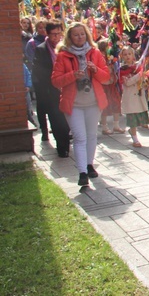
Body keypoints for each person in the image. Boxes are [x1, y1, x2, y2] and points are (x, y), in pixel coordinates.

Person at [51, 22, 110, 186]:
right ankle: (82, 172)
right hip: (74, 104)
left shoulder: (95, 52)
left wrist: (96, 70)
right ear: (70, 37)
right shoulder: (63, 55)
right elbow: (55, 81)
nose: (79, 37)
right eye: (76, 35)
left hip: (93, 102)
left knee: (91, 135)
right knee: (79, 137)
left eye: (82, 34)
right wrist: (72, 75)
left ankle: (90, 165)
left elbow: (106, 77)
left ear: (87, 35)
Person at [32, 20, 71, 157]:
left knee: (67, 120)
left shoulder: (66, 48)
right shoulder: (41, 49)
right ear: (47, 34)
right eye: (53, 34)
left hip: (68, 88)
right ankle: (62, 146)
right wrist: (54, 82)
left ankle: (66, 140)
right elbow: (40, 71)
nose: (57, 37)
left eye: (59, 33)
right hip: (52, 90)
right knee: (56, 118)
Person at [119, 46, 149, 148]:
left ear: (133, 55)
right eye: (125, 54)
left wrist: (145, 84)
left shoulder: (138, 67)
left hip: (138, 96)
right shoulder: (122, 69)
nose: (127, 56)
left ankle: (133, 132)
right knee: (132, 119)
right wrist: (139, 75)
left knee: (138, 118)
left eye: (129, 54)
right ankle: (135, 138)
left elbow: (142, 81)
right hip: (130, 97)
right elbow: (127, 82)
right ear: (122, 56)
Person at [97, 38, 124, 135]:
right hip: (104, 85)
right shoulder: (99, 57)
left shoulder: (111, 57)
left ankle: (116, 125)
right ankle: (104, 127)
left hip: (112, 84)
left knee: (116, 102)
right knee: (104, 106)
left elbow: (114, 69)